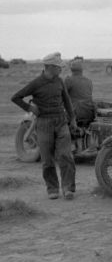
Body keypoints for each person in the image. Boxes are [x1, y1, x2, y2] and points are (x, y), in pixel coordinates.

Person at [11, 52, 77, 200]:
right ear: (50, 67)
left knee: (66, 155)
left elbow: (67, 101)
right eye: (59, 67)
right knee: (47, 159)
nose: (61, 69)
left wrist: (72, 119)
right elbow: (16, 97)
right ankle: (52, 188)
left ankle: (68, 188)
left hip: (61, 122)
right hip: (43, 123)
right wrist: (30, 108)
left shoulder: (59, 81)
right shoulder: (36, 83)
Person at [64, 59, 96, 126]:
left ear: (71, 69)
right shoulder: (88, 81)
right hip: (89, 113)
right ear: (82, 70)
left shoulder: (69, 80)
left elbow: (61, 97)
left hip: (75, 115)